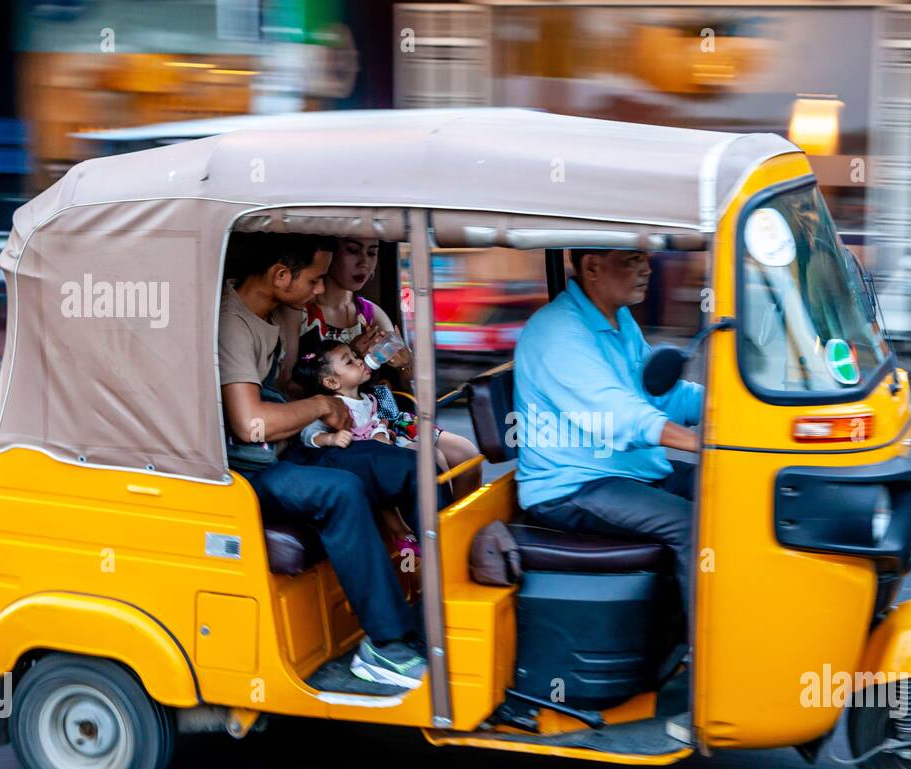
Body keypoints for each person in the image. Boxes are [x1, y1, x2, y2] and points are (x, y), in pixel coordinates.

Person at [219, 232, 427, 689]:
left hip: (292, 450)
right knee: (344, 491)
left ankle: (436, 610)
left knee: (411, 468)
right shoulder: (232, 324)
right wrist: (318, 407)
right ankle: (387, 648)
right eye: (313, 280)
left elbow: (290, 382)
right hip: (252, 470)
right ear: (280, 276)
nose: (320, 289)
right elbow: (250, 423)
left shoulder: (275, 313)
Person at [512, 249, 703, 607]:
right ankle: (709, 652)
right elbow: (618, 416)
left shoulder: (619, 321)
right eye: (631, 260)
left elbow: (657, 396)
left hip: (628, 470)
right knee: (693, 525)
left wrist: (729, 405)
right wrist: (701, 442)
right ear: (592, 267)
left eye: (644, 258)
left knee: (730, 490)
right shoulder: (558, 333)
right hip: (572, 485)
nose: (646, 268)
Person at [286, 237, 483, 499]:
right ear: (330, 257)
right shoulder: (302, 314)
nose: (364, 263)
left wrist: (404, 365)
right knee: (432, 462)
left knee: (468, 456)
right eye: (353, 251)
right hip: (341, 425)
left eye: (372, 253)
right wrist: (354, 354)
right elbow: (286, 387)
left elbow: (405, 381)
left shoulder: (371, 314)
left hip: (382, 413)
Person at [295, 341, 451, 555]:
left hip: (386, 445)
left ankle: (447, 515)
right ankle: (402, 532)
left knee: (436, 456)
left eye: (356, 356)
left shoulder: (373, 396)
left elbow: (385, 419)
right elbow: (309, 434)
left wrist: (382, 430)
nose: (359, 361)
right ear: (331, 382)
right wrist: (331, 439)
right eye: (350, 362)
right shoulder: (330, 407)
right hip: (363, 458)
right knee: (399, 472)